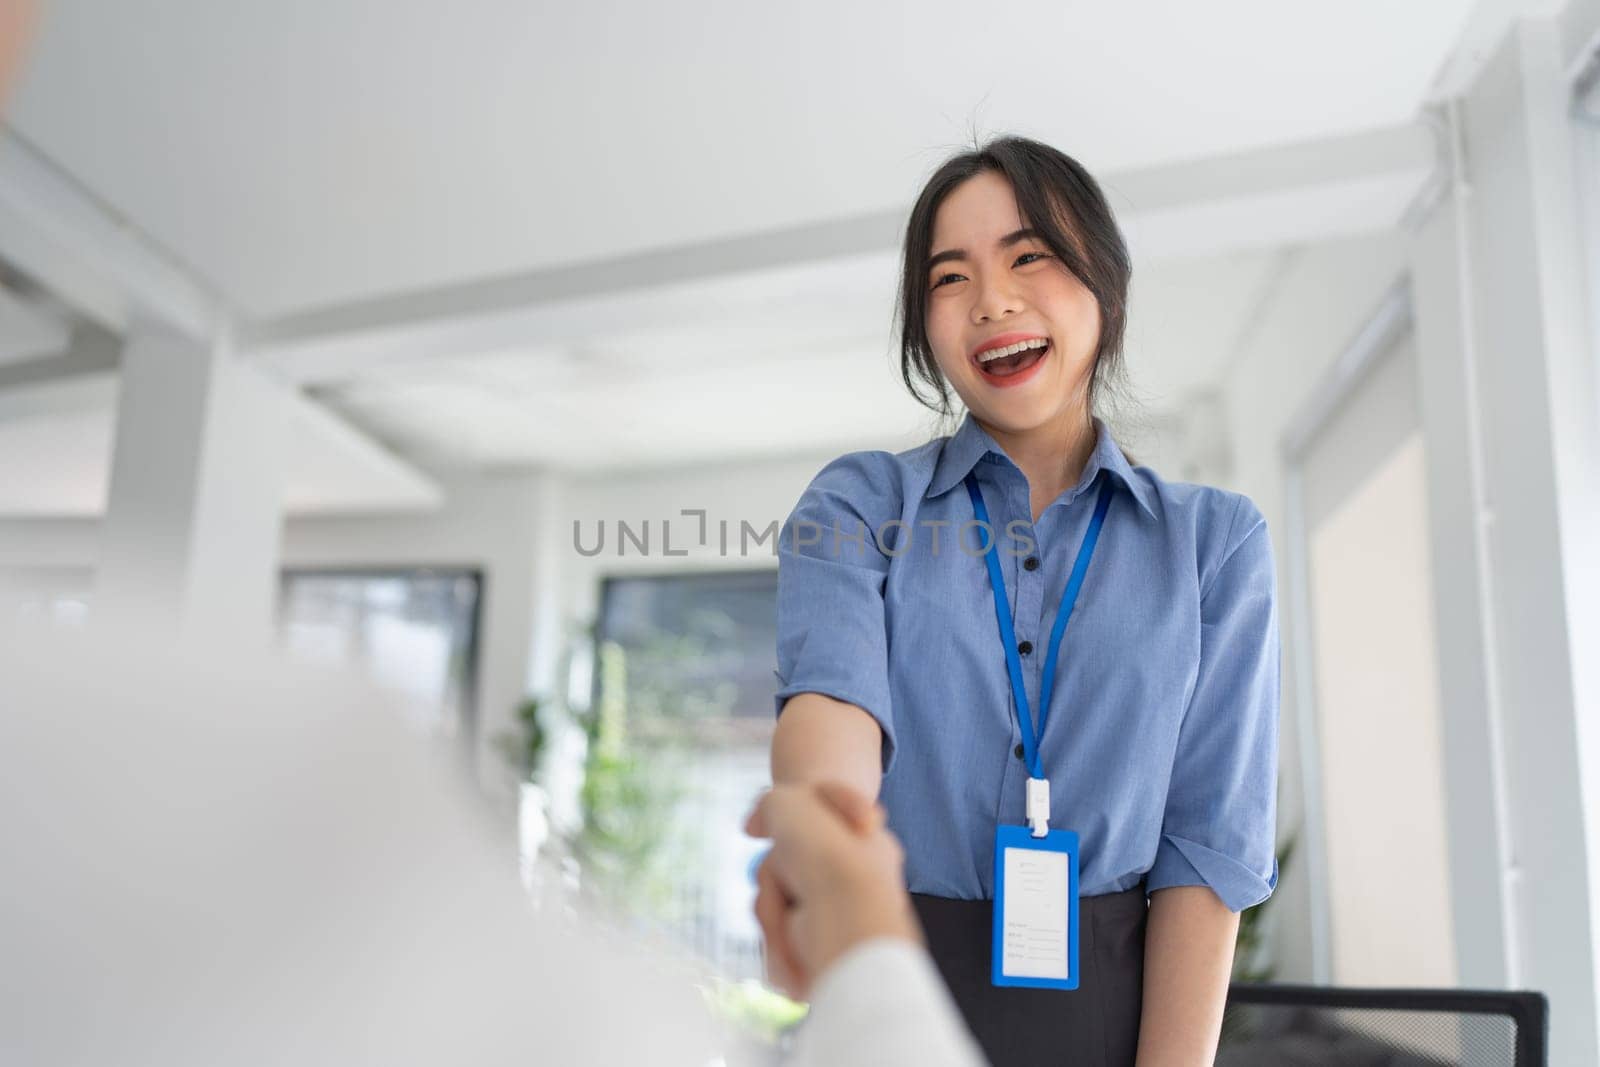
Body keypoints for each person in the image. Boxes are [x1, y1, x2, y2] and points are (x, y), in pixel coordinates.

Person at [769, 136, 1280, 1066]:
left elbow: (1208, 850)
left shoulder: (1217, 542)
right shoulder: (858, 504)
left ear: (1104, 279)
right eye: (949, 277)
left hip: (1122, 1013)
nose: (991, 300)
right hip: (888, 986)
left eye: (1028, 255)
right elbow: (830, 699)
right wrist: (824, 831)